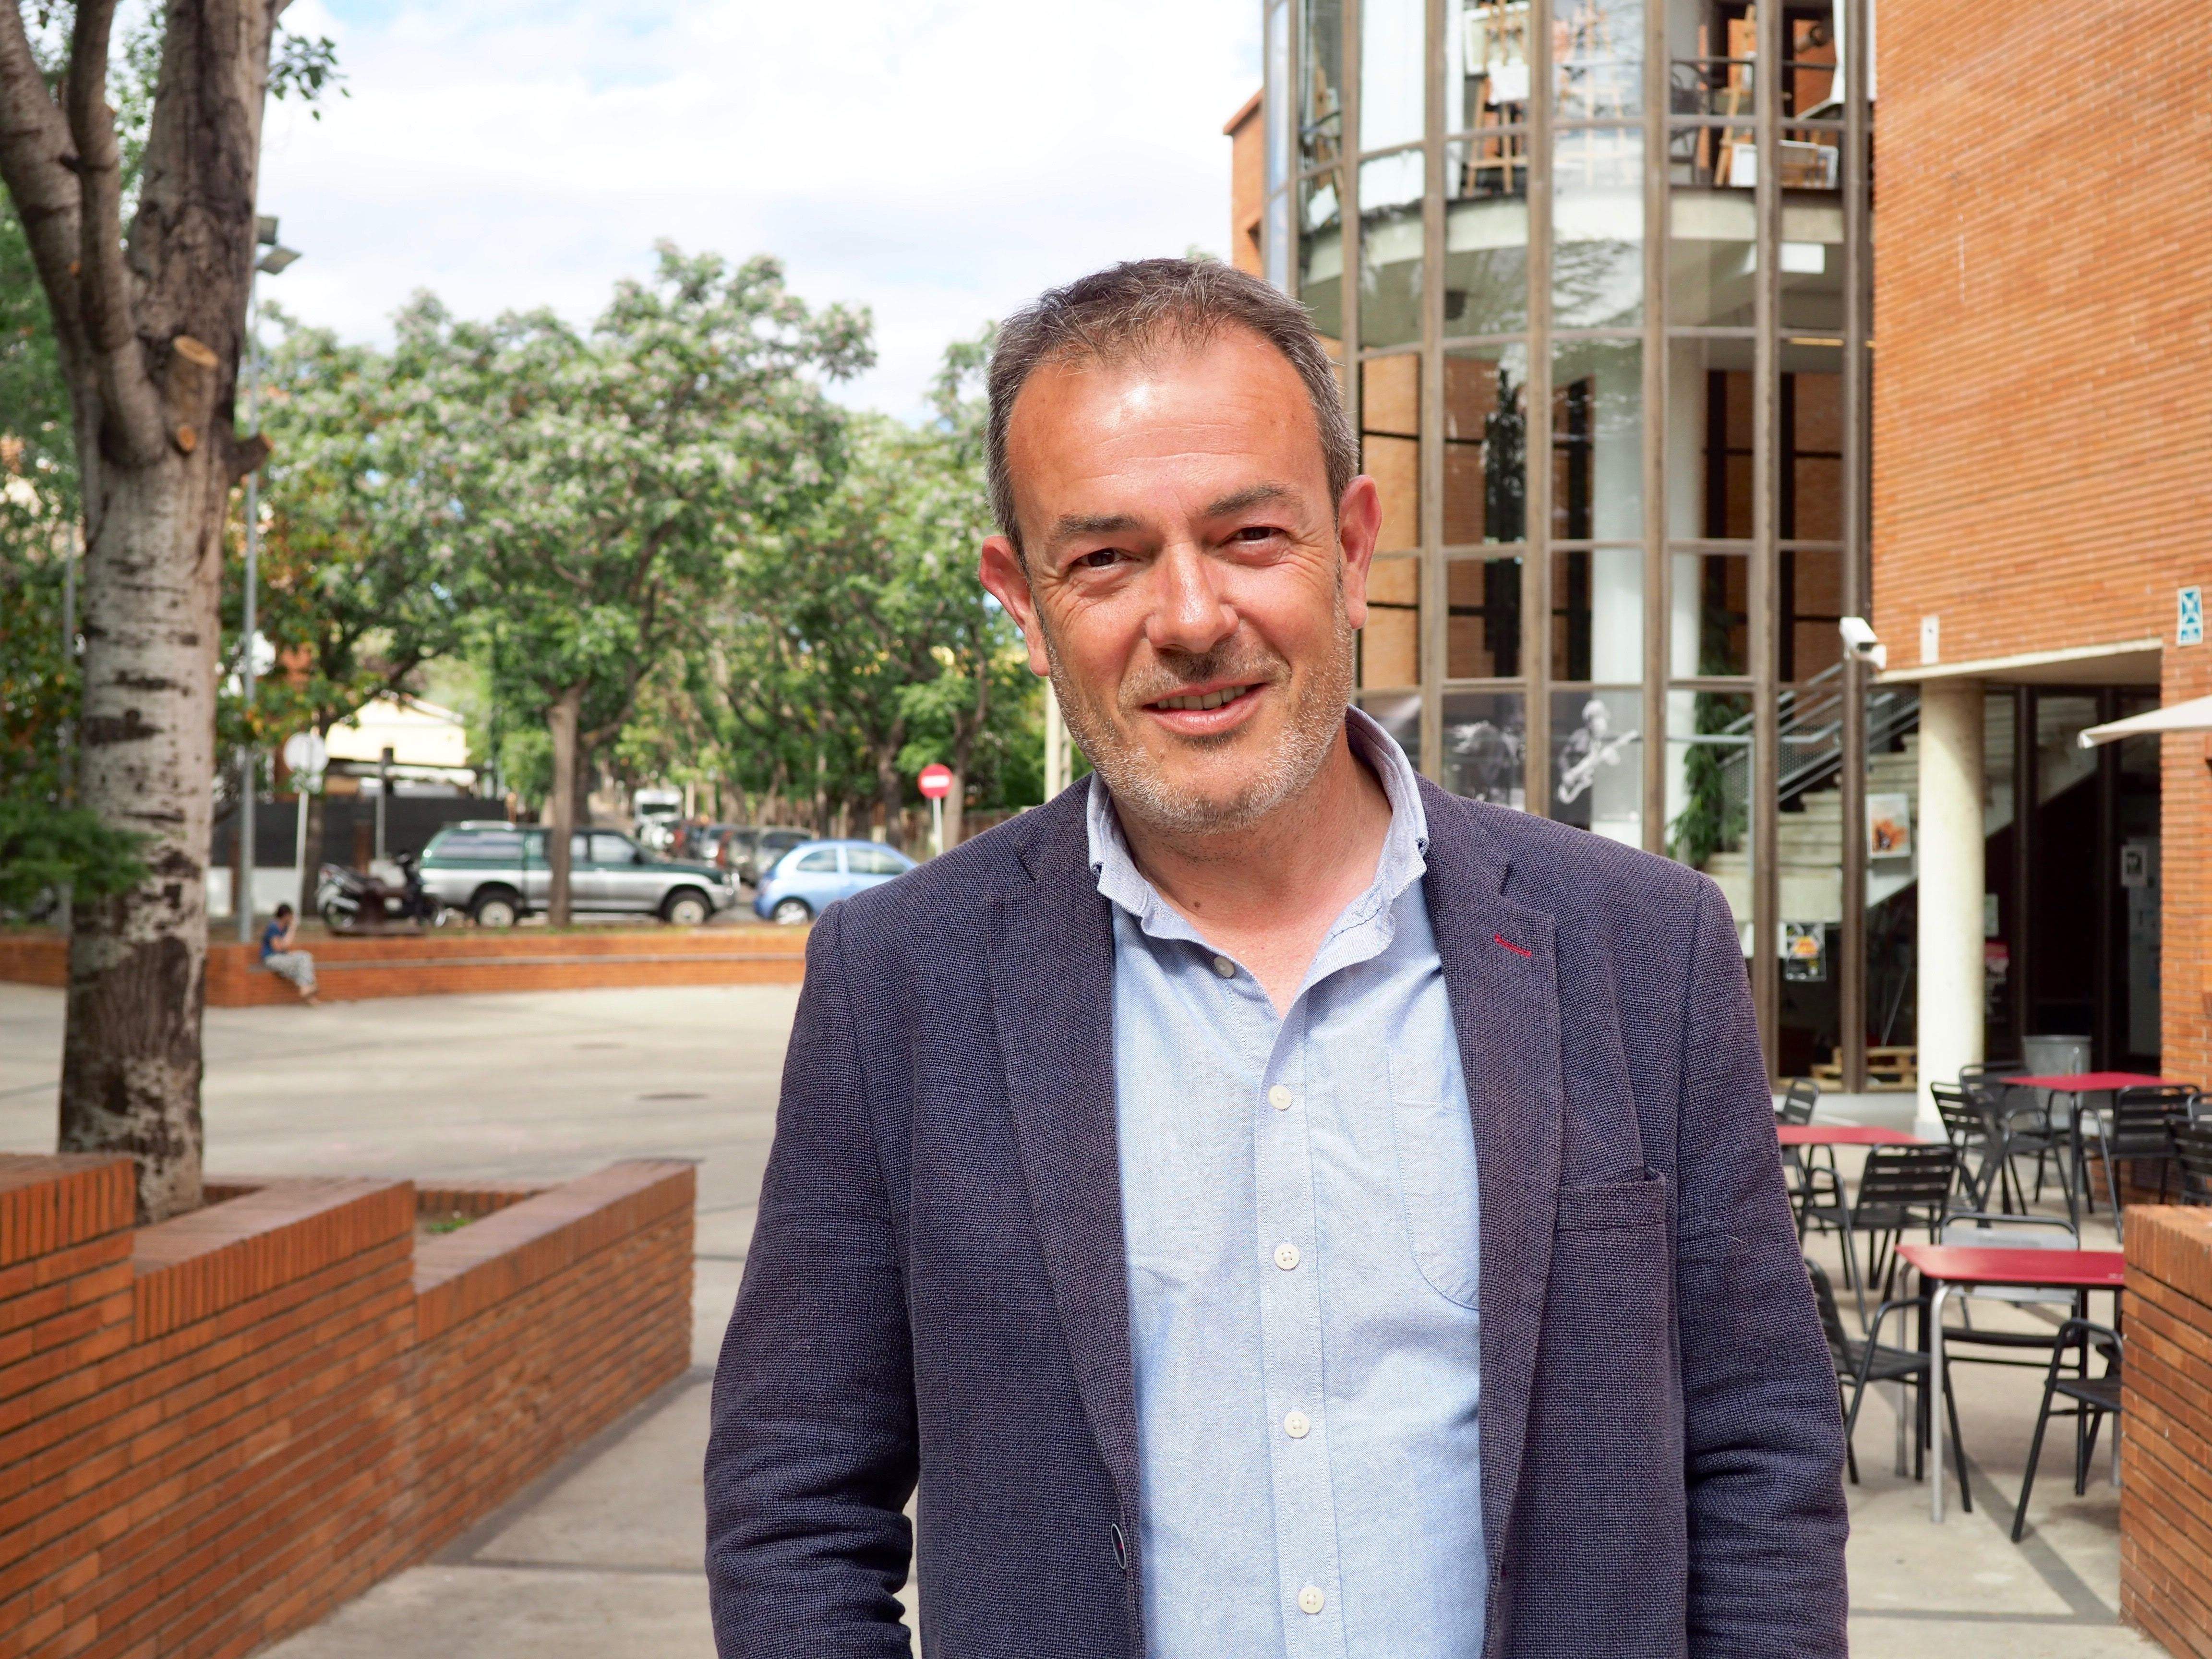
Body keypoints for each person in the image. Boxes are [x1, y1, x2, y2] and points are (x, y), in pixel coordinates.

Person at [705, 260, 1847, 1657]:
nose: (1190, 618)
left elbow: (1761, 1460)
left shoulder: (1642, 948)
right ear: (1021, 600)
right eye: (1106, 558)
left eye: (1249, 535)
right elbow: (794, 1505)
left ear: (1353, 548)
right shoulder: (897, 984)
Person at [260, 903, 319, 1006]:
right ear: (286, 916)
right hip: (272, 959)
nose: (292, 918)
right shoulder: (273, 927)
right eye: (291, 916)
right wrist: (293, 928)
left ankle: (308, 992)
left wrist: (290, 929)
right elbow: (279, 948)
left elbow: (285, 947)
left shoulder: (284, 928)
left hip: (282, 958)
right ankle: (308, 989)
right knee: (303, 959)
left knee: (304, 961)